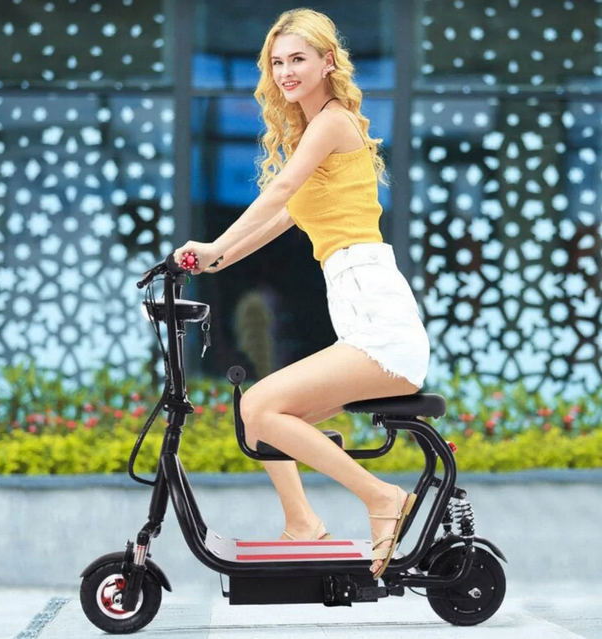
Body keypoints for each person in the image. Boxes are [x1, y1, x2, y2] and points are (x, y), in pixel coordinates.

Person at [172, 8, 430, 580]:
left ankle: (383, 498)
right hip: (361, 311)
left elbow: (282, 187)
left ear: (328, 63)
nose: (286, 71)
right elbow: (280, 218)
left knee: (258, 404)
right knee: (260, 419)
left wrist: (213, 242)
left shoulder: (333, 122)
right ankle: (303, 524)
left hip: (379, 319)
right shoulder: (316, 133)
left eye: (298, 59)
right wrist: (213, 259)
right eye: (277, 62)